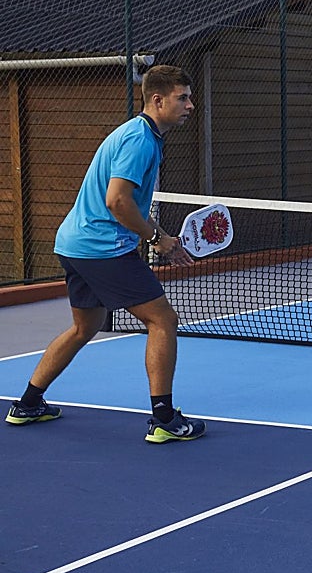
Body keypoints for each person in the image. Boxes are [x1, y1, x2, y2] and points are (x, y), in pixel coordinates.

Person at [6, 65, 207, 442]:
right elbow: (116, 202)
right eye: (183, 98)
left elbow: (128, 202)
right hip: (103, 249)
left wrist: (163, 237)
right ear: (157, 100)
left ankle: (28, 403)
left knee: (86, 327)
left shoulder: (140, 135)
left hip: (74, 244)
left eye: (189, 97)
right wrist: (154, 240)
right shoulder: (140, 141)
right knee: (163, 320)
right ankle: (164, 419)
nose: (190, 105)